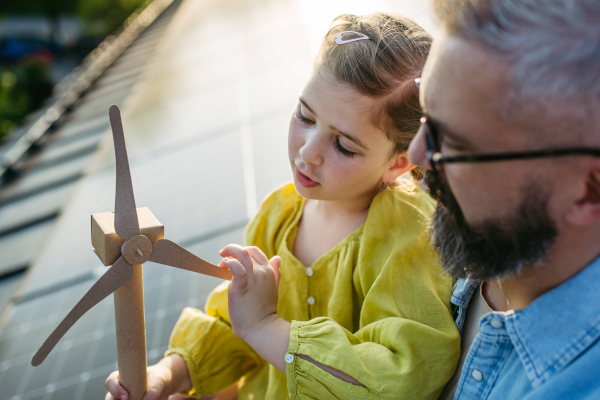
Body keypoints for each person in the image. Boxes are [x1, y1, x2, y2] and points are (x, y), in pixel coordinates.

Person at [106, 12, 461, 400]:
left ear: (397, 163)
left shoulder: (409, 235)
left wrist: (265, 326)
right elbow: (234, 326)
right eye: (305, 116)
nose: (308, 153)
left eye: (344, 146)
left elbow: (402, 376)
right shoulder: (278, 213)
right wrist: (167, 376)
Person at [407, 0, 600, 398]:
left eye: (454, 143)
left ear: (588, 191)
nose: (414, 156)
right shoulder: (473, 233)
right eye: (425, 117)